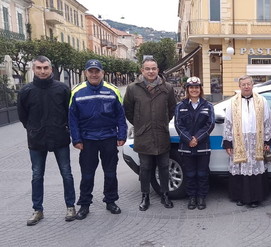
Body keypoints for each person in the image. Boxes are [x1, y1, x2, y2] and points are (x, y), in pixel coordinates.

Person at [17, 56, 76, 226]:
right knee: (37, 175)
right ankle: (37, 210)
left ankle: (70, 206)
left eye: (45, 68)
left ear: (51, 69)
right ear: (33, 69)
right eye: (38, 68)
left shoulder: (62, 89)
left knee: (66, 173)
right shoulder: (26, 91)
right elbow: (23, 116)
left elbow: (69, 112)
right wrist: (33, 129)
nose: (42, 71)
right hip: (36, 139)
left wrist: (65, 129)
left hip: (59, 137)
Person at [69, 59, 127, 220]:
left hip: (108, 137)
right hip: (87, 140)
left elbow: (120, 116)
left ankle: (111, 201)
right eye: (91, 71)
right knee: (87, 174)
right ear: (85, 73)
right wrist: (76, 139)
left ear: (103, 73)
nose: (94, 74)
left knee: (110, 173)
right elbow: (72, 118)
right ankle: (85, 204)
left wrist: (121, 134)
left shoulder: (113, 90)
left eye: (97, 71)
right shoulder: (77, 92)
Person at [123, 57, 177, 211]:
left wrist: (162, 122)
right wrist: (140, 124)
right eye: (148, 68)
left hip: (161, 134)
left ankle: (165, 194)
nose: (151, 71)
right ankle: (145, 196)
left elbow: (172, 109)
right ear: (142, 70)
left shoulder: (167, 88)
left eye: (153, 68)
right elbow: (128, 110)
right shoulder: (133, 88)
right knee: (145, 167)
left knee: (164, 167)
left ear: (158, 70)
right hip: (143, 135)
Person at [223, 75, 271, 208]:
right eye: (243, 84)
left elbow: (267, 121)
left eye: (248, 84)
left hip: (257, 140)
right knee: (240, 168)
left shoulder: (261, 101)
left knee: (255, 167)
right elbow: (228, 123)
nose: (246, 86)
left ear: (253, 85)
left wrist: (267, 141)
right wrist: (228, 142)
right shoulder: (232, 102)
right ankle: (240, 197)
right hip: (239, 140)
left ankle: (256, 197)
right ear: (239, 87)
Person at [174, 76, 215, 210]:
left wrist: (197, 138)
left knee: (202, 174)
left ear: (200, 89)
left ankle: (201, 197)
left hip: (203, 145)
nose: (194, 90)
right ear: (187, 89)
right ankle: (192, 197)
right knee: (190, 173)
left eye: (196, 87)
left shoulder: (208, 106)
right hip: (186, 147)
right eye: (191, 87)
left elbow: (210, 124)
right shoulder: (180, 106)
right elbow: (178, 125)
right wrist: (189, 139)